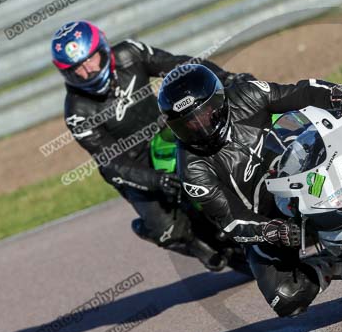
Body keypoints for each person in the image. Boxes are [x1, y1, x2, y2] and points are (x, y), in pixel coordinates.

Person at [157, 64, 342, 316]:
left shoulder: (247, 94)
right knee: (285, 298)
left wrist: (340, 94)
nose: (200, 127)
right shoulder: (191, 168)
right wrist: (270, 231)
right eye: (189, 123)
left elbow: (301, 92)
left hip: (311, 167)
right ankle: (337, 266)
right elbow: (230, 219)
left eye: (204, 114)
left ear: (219, 100)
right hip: (272, 217)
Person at [51, 20, 252, 269]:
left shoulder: (129, 53)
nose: (88, 71)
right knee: (165, 228)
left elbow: (180, 66)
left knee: (220, 134)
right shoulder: (77, 111)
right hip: (134, 165)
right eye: (76, 69)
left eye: (91, 59)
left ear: (104, 48)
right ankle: (195, 243)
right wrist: (156, 181)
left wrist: (227, 78)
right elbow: (112, 163)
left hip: (167, 132)